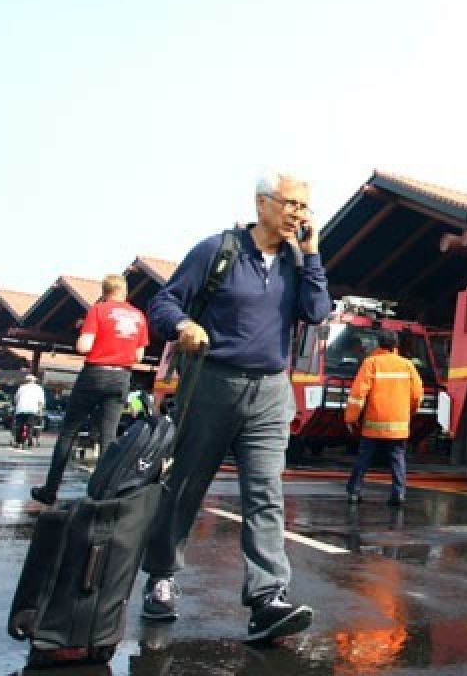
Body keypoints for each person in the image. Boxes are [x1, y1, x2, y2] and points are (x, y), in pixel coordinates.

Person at [141, 171, 331, 644]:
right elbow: (163, 304)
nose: (298, 214)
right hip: (212, 383)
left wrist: (312, 254)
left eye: (303, 207)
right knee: (185, 484)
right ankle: (161, 577)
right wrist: (183, 323)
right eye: (289, 204)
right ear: (262, 203)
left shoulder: (296, 261)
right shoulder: (217, 250)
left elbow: (318, 310)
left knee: (266, 492)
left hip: (270, 391)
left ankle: (268, 598)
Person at [32, 274, 149, 504]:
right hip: (121, 377)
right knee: (109, 435)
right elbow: (138, 355)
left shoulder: (98, 310)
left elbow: (83, 346)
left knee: (69, 432)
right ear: (125, 291)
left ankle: (50, 490)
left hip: (95, 374)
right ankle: (103, 493)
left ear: (104, 292)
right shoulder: (139, 316)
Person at [343, 328, 424, 506]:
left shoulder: (371, 363)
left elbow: (358, 394)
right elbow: (417, 393)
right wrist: (409, 412)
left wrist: (351, 417)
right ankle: (399, 494)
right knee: (397, 459)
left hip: (374, 423)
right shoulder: (407, 365)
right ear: (396, 345)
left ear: (379, 344)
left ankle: (354, 492)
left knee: (364, 458)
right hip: (399, 424)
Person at [12, 375, 46, 449]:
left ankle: (18, 441)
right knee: (30, 426)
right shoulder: (39, 388)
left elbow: (16, 399)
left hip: (21, 409)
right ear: (34, 381)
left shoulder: (21, 388)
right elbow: (41, 402)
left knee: (19, 426)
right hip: (33, 410)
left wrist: (16, 406)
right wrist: (40, 411)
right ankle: (29, 441)